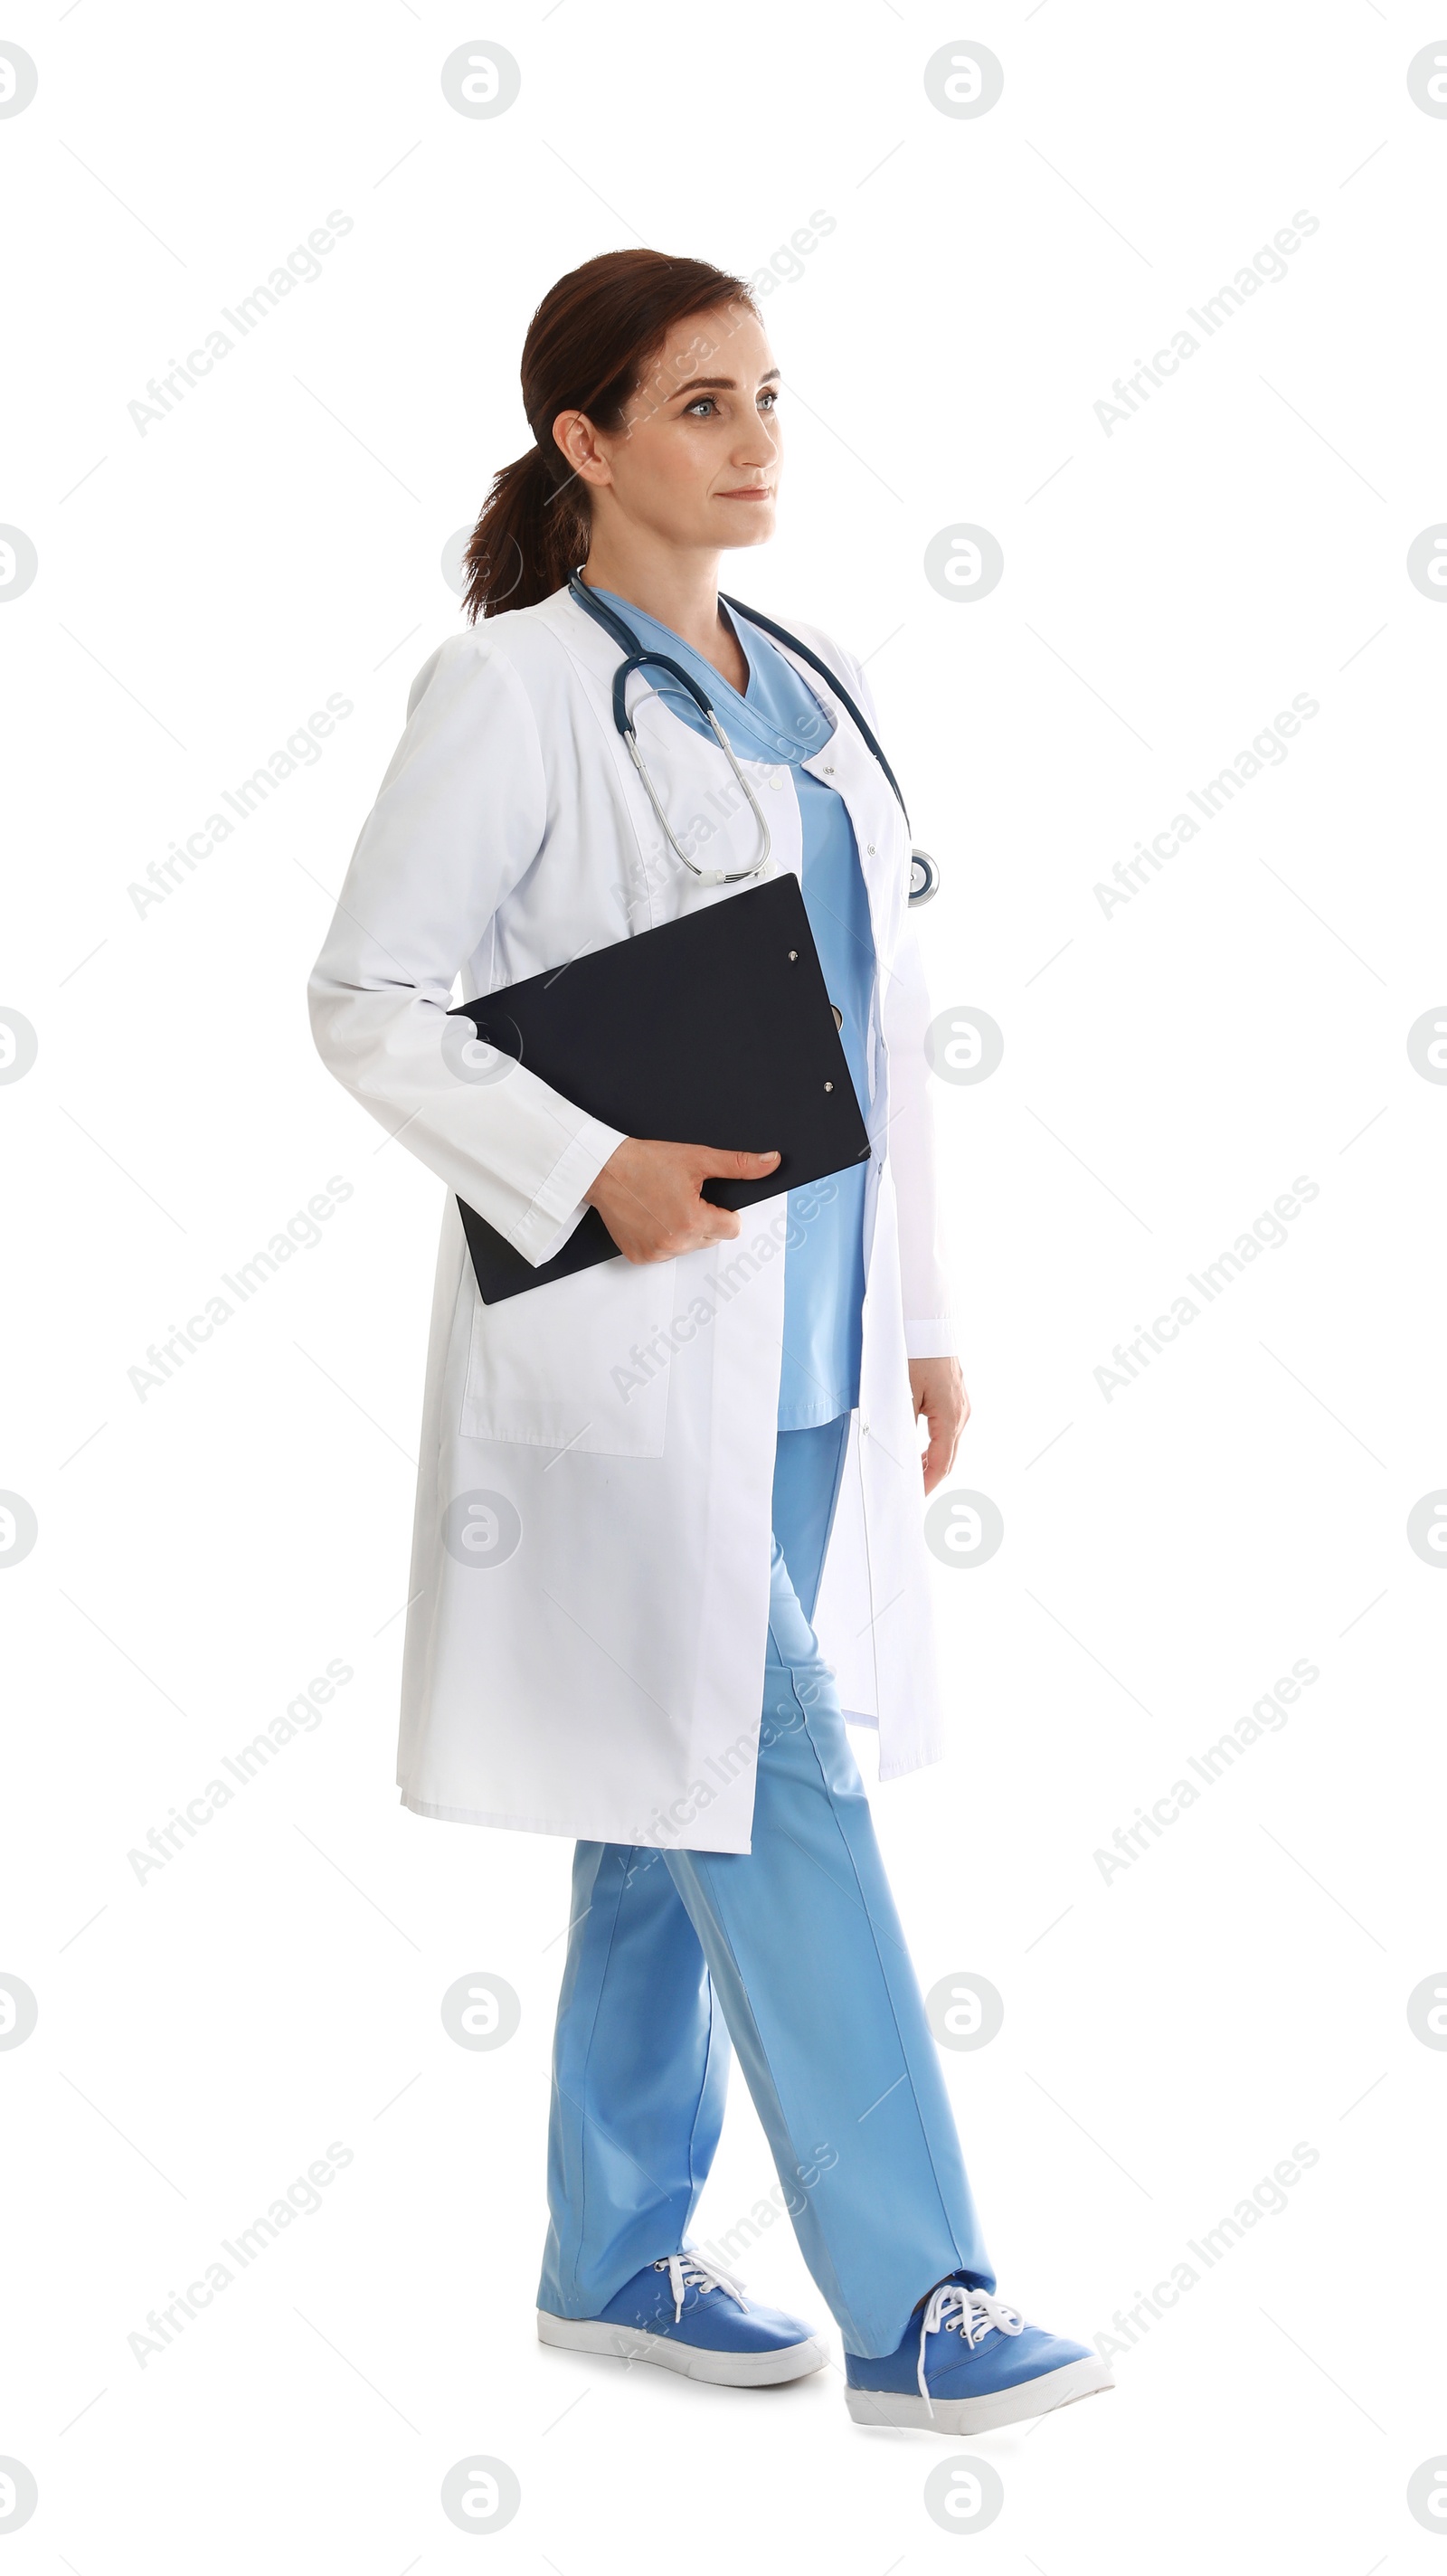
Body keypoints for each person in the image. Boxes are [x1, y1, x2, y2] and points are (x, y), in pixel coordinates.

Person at [307, 249, 1111, 2434]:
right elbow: (366, 998)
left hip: (815, 1342)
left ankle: (605, 2246)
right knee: (773, 1785)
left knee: (662, 1791)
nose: (756, 441)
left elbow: (879, 1022)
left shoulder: (812, 683)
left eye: (768, 397)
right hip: (641, 1337)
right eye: (699, 406)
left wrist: (921, 1311)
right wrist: (584, 1167)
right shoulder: (509, 690)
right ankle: (923, 2290)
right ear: (583, 443)